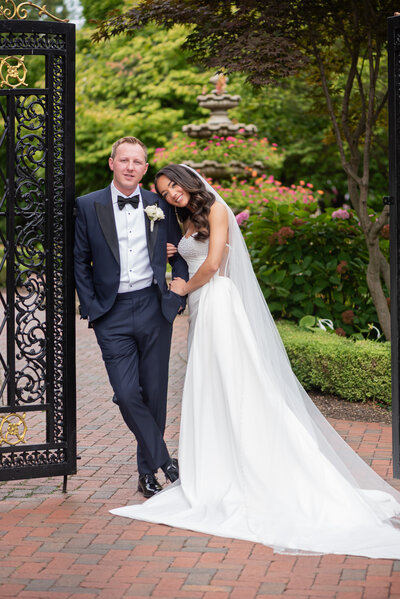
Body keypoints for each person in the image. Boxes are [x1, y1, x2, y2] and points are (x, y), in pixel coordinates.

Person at [110, 164, 400, 559]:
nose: (171, 194)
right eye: (164, 191)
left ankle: (253, 466)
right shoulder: (182, 216)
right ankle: (217, 464)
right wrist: (172, 251)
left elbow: (212, 265)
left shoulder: (215, 208)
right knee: (211, 387)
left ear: (186, 180)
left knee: (235, 383)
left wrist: (182, 287)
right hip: (203, 306)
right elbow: (189, 253)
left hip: (217, 302)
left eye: (173, 186)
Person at [74, 140, 188, 498]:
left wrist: (174, 298)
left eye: (137, 162)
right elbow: (79, 260)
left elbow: (180, 253)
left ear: (144, 168)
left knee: (153, 394)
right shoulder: (88, 205)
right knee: (126, 394)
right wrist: (93, 307)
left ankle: (147, 474)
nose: (129, 166)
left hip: (154, 308)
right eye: (123, 160)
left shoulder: (159, 205)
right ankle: (166, 460)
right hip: (112, 313)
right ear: (111, 163)